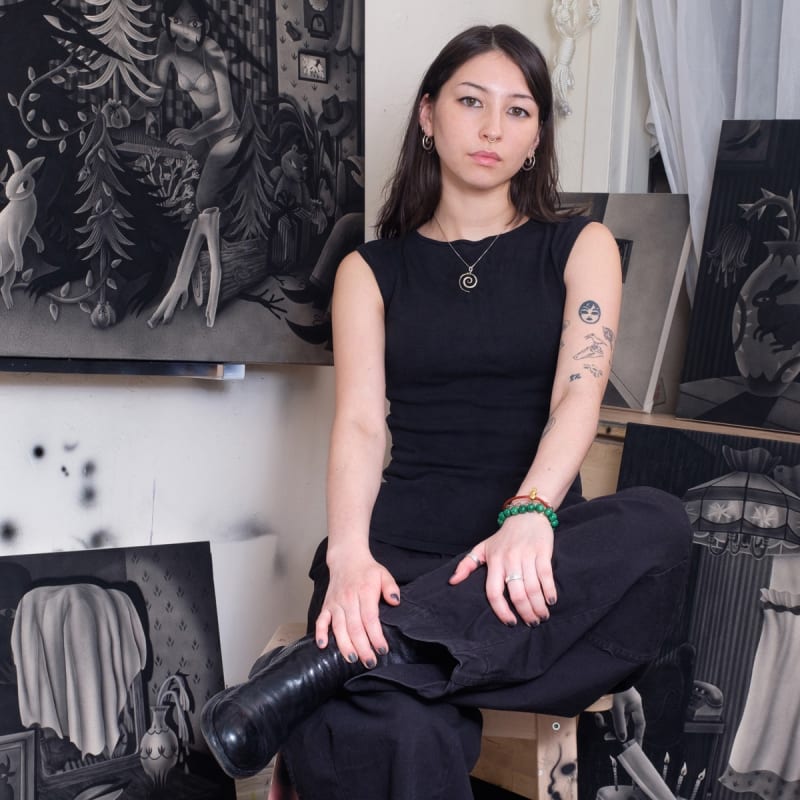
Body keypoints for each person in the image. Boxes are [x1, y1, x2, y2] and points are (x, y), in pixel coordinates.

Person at [201, 24, 692, 799]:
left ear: (537, 138)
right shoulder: (369, 270)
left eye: (519, 111)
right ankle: (378, 655)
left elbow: (579, 392)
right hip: (401, 566)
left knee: (660, 525)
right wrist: (352, 561)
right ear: (428, 116)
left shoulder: (581, 244)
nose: (495, 127)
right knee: (395, 729)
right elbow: (362, 425)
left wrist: (533, 512)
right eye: (471, 101)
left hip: (531, 569)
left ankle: (346, 664)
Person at [128, 0, 239, 212]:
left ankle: (218, 241)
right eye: (177, 21)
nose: (185, 30)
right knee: (167, 176)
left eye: (194, 23)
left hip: (229, 134)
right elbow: (155, 94)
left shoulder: (211, 50)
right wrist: (125, 114)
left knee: (204, 201)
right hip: (203, 132)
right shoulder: (166, 43)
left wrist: (194, 135)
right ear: (165, 22)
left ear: (204, 25)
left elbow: (228, 115)